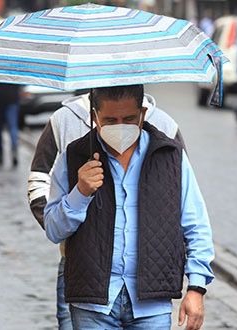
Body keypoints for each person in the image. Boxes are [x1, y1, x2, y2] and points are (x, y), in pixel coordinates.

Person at [43, 85, 213, 329]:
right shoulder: (74, 157)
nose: (120, 126)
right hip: (92, 304)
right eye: (111, 120)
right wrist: (80, 192)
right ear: (95, 117)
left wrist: (196, 287)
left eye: (129, 119)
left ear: (143, 113)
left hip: (152, 303)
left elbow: (196, 225)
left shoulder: (170, 156)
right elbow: (53, 229)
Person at [0, 83, 21, 167]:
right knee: (13, 126)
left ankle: (0, 154)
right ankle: (14, 151)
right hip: (12, 96)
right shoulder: (15, 69)